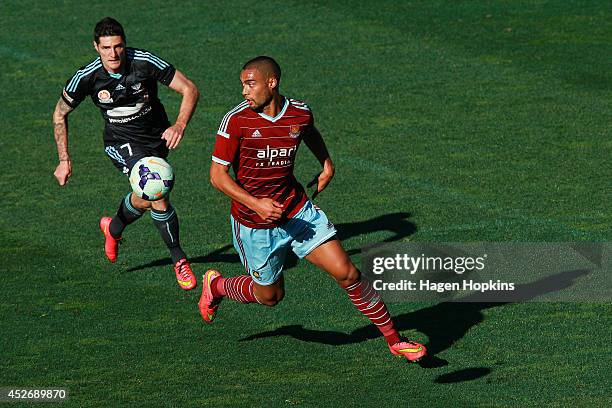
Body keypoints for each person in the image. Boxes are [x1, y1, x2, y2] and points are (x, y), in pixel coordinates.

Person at [199, 56, 427, 362]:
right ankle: (217, 285)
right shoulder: (237, 121)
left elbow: (308, 132)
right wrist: (256, 204)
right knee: (271, 297)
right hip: (254, 223)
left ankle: (395, 340)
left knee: (347, 273)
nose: (244, 91)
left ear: (272, 82)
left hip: (297, 211)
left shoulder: (299, 112)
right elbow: (217, 176)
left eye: (250, 84)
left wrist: (326, 163)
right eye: (242, 85)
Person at [52, 17, 200, 290]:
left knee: (144, 198)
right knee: (157, 190)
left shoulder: (143, 62)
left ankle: (114, 228)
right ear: (96, 47)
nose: (113, 54)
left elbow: (189, 89)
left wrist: (179, 125)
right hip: (121, 142)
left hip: (156, 138)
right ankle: (179, 259)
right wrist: (64, 160)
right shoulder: (86, 77)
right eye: (106, 48)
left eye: (118, 47)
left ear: (125, 44)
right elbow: (59, 114)